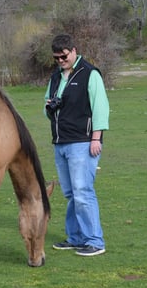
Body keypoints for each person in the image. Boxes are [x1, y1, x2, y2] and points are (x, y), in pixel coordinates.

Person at [44, 34, 109, 257]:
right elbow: (47, 108)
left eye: (64, 56)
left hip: (83, 142)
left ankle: (95, 241)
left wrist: (96, 138)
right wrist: (50, 107)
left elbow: (100, 107)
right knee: (71, 194)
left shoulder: (90, 73)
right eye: (56, 58)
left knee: (83, 192)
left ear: (73, 50)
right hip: (61, 143)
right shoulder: (55, 78)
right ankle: (76, 238)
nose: (61, 61)